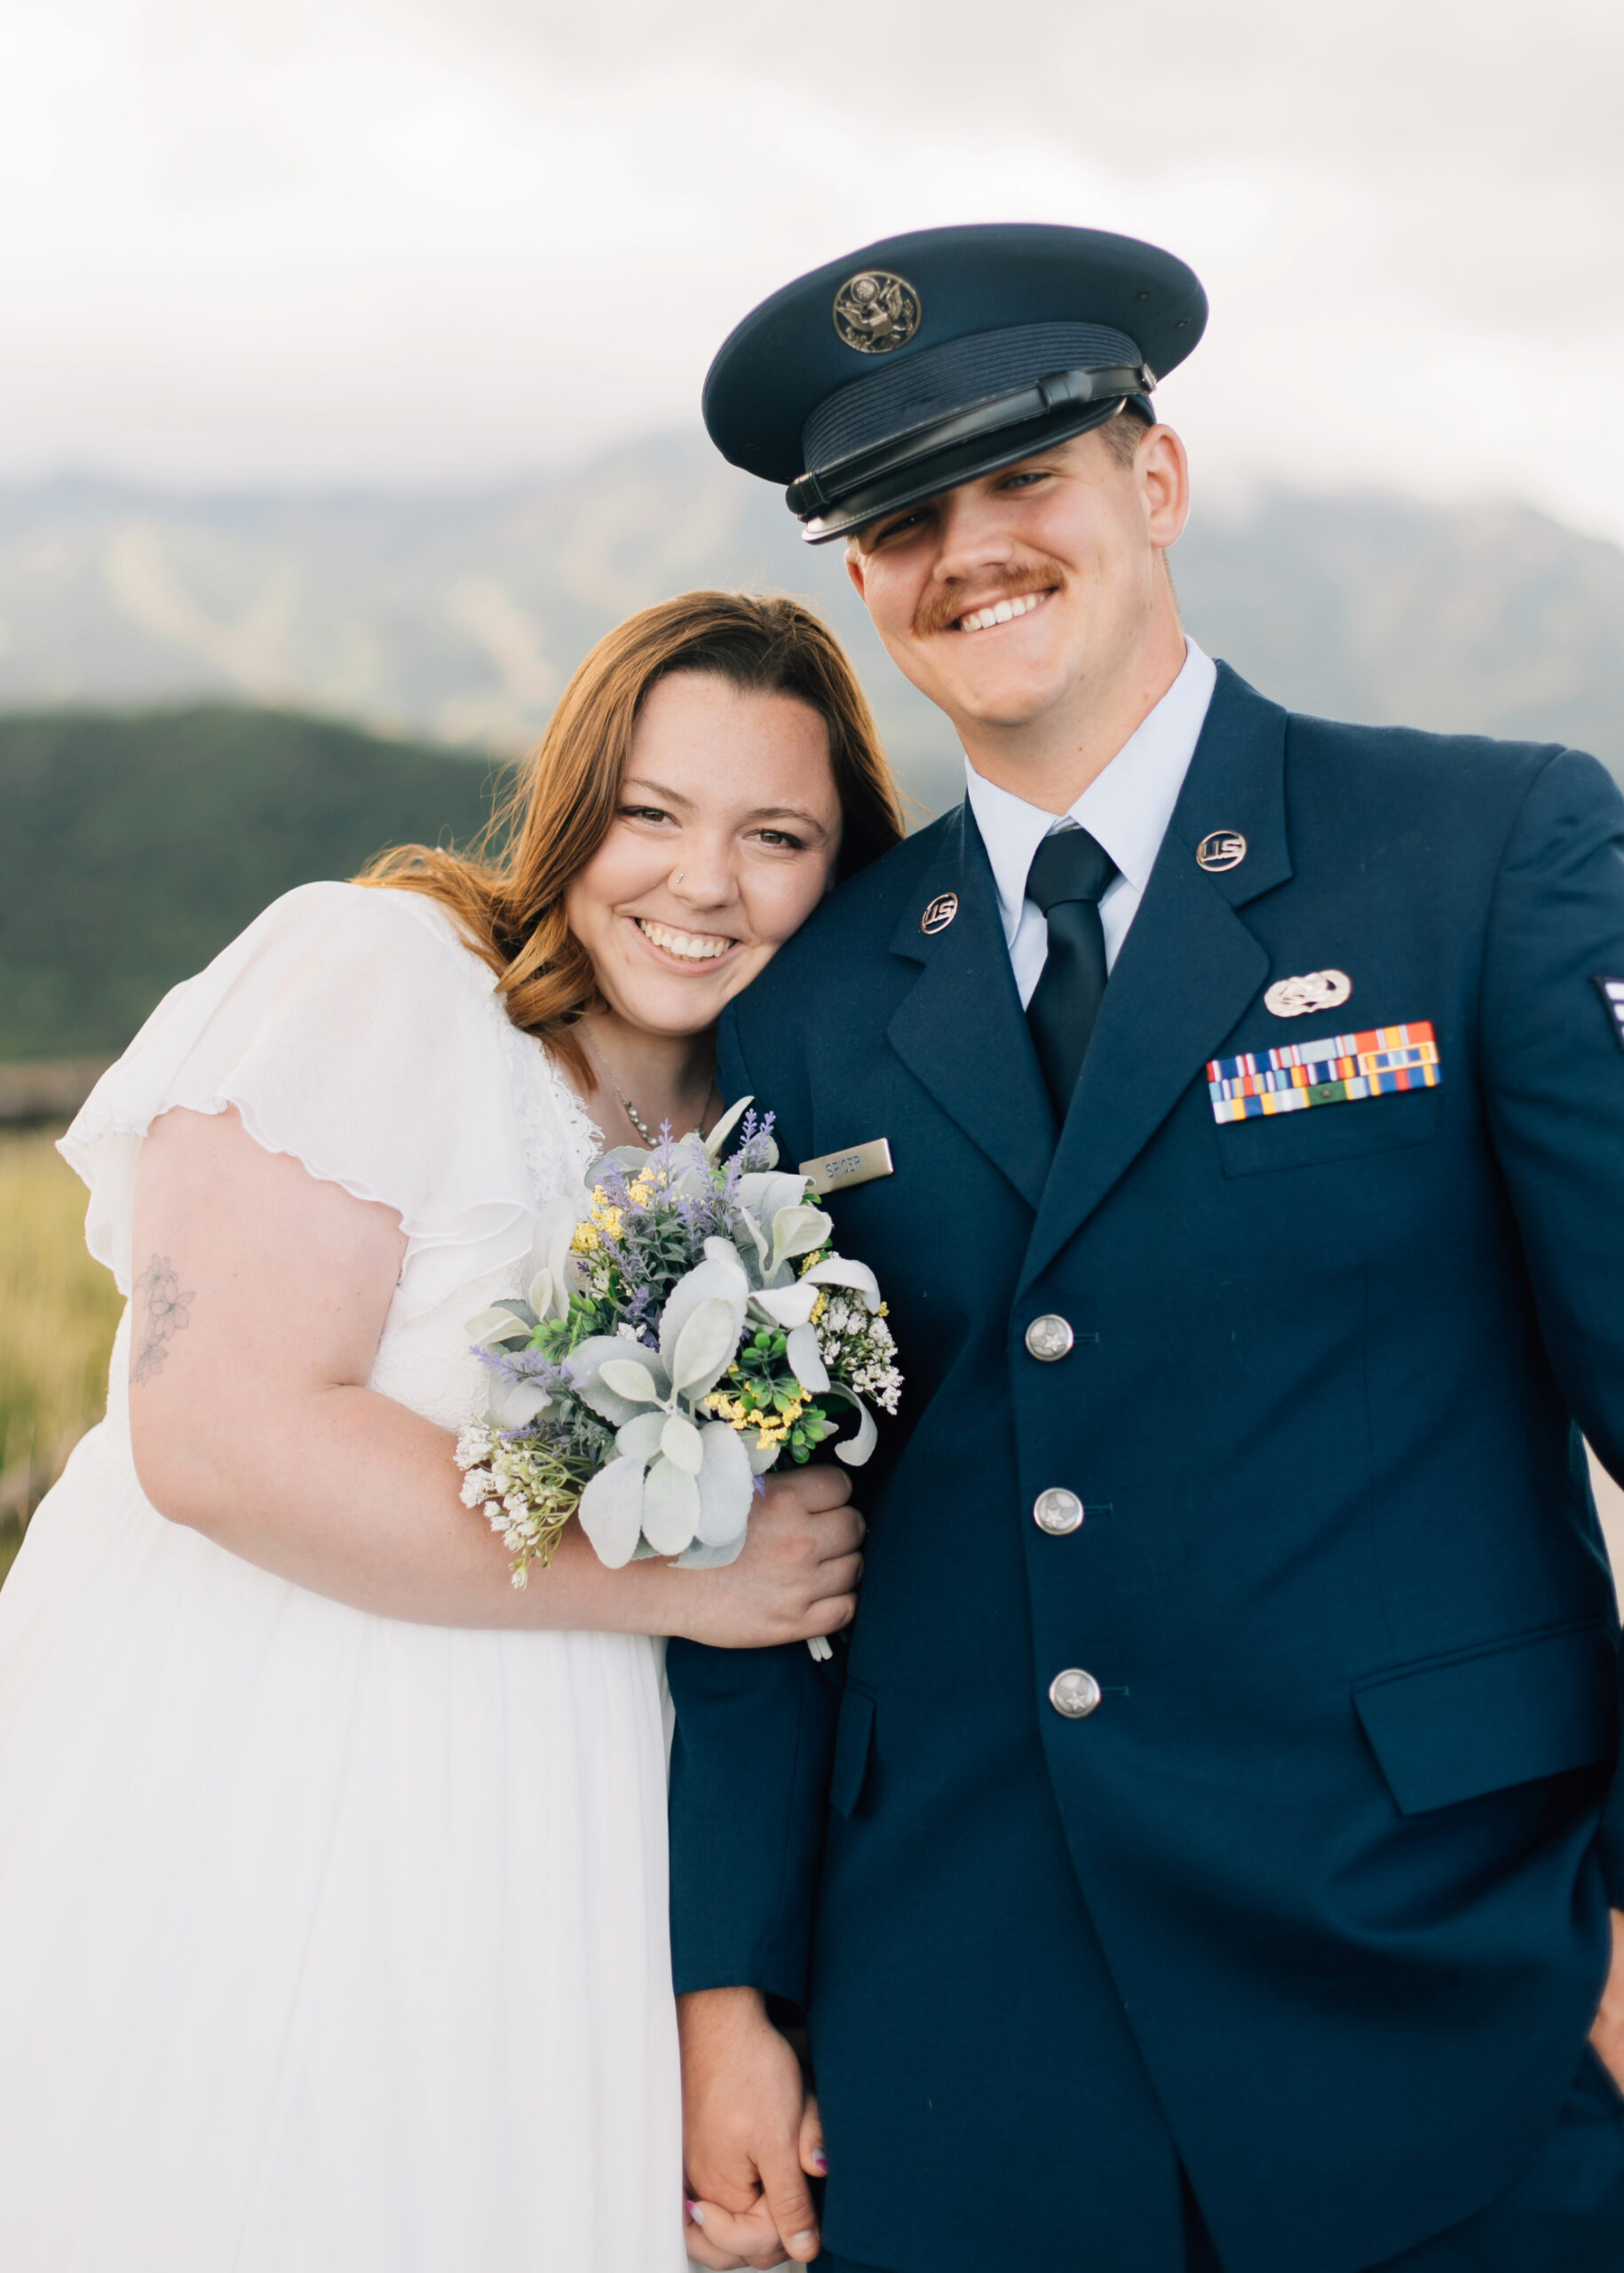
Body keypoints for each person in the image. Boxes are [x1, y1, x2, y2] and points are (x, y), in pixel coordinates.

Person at [668, 225, 1624, 2273]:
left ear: (1157, 485)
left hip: (1454, 1986)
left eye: (1027, 477)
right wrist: (728, 1997)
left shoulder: (1489, 854)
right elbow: (757, 1518)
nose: (972, 550)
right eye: (904, 520)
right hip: (963, 2037)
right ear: (865, 581)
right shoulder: (816, 992)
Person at [0, 590, 901, 2273]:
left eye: (775, 835)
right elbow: (217, 1436)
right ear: (569, 804)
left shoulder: (767, 1146)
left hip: (569, 1836)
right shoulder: (383, 975)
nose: (702, 883)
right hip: (273, 1765)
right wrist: (688, 1580)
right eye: (650, 813)